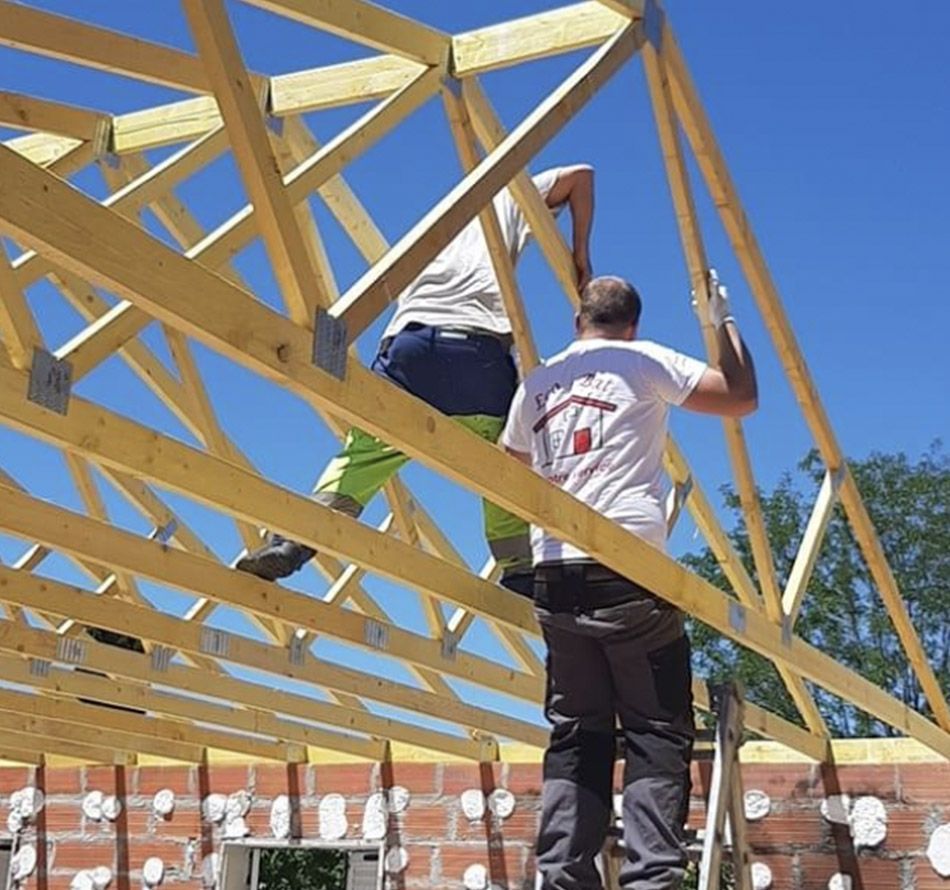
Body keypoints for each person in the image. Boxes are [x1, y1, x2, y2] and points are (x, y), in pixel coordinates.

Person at [500, 274, 757, 889]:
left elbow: (513, 462)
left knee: (577, 730)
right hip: (627, 573)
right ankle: (651, 879)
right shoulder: (640, 360)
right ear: (632, 323)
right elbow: (739, 396)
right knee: (655, 728)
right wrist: (722, 323)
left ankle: (563, 874)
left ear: (578, 321)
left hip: (555, 578)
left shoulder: (538, 381)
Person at [236, 165, 595, 594]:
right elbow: (581, 176)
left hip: (411, 352)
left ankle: (295, 541)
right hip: (478, 359)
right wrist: (580, 257)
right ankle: (518, 570)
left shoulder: (428, 232)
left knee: (365, 452)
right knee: (503, 462)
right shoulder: (505, 199)